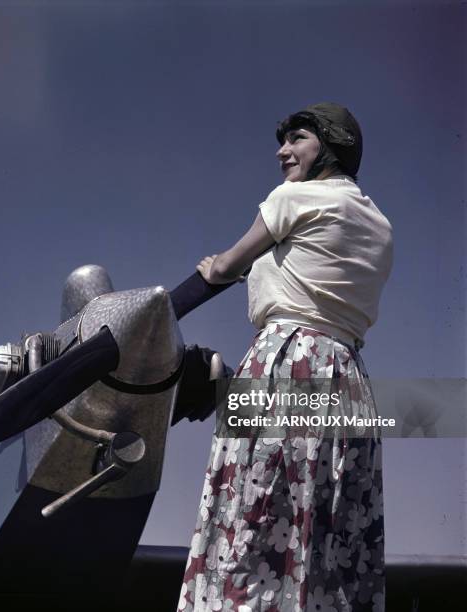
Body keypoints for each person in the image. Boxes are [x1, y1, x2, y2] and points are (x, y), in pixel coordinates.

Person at [176, 103, 393, 612]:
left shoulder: (294, 196)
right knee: (331, 528)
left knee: (252, 521)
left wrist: (220, 267)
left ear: (331, 147)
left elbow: (226, 265)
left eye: (297, 139)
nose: (283, 151)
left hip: (286, 361)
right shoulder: (381, 224)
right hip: (349, 378)